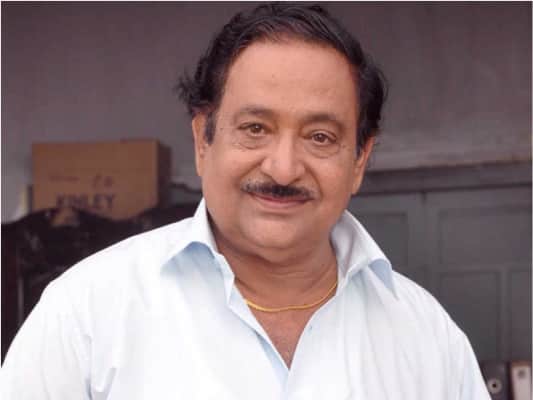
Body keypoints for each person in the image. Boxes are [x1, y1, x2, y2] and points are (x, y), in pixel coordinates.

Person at [2, 3, 490, 399]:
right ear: (203, 140)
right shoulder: (87, 312)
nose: (283, 168)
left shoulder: (426, 336)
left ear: (359, 159)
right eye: (255, 128)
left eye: (320, 137)